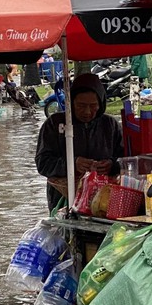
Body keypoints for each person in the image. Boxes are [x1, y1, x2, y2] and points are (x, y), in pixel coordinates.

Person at [35, 72, 122, 211]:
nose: (87, 112)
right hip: (62, 200)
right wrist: (72, 164)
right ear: (70, 102)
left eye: (93, 106)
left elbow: (126, 159)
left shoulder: (110, 125)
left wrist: (112, 165)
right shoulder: (54, 124)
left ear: (101, 103)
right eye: (81, 106)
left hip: (103, 200)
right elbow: (42, 163)